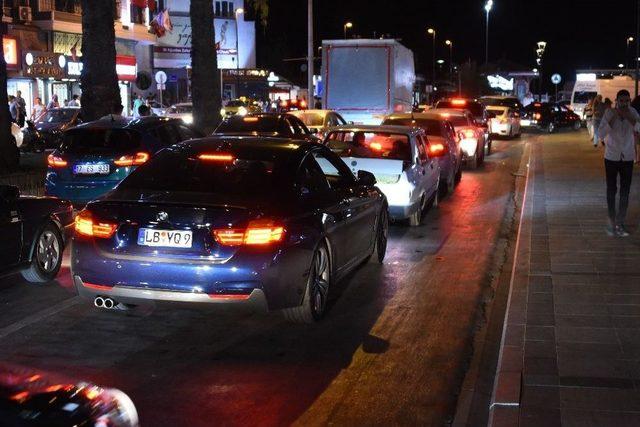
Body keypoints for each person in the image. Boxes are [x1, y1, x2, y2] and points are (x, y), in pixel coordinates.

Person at [598, 89, 640, 237]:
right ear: (617, 101)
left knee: (625, 191)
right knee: (611, 190)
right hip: (611, 157)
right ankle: (611, 219)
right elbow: (600, 134)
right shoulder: (610, 113)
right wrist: (613, 119)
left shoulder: (633, 113)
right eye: (621, 101)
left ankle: (620, 222)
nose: (624, 104)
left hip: (627, 157)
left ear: (629, 101)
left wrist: (630, 118)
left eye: (626, 101)